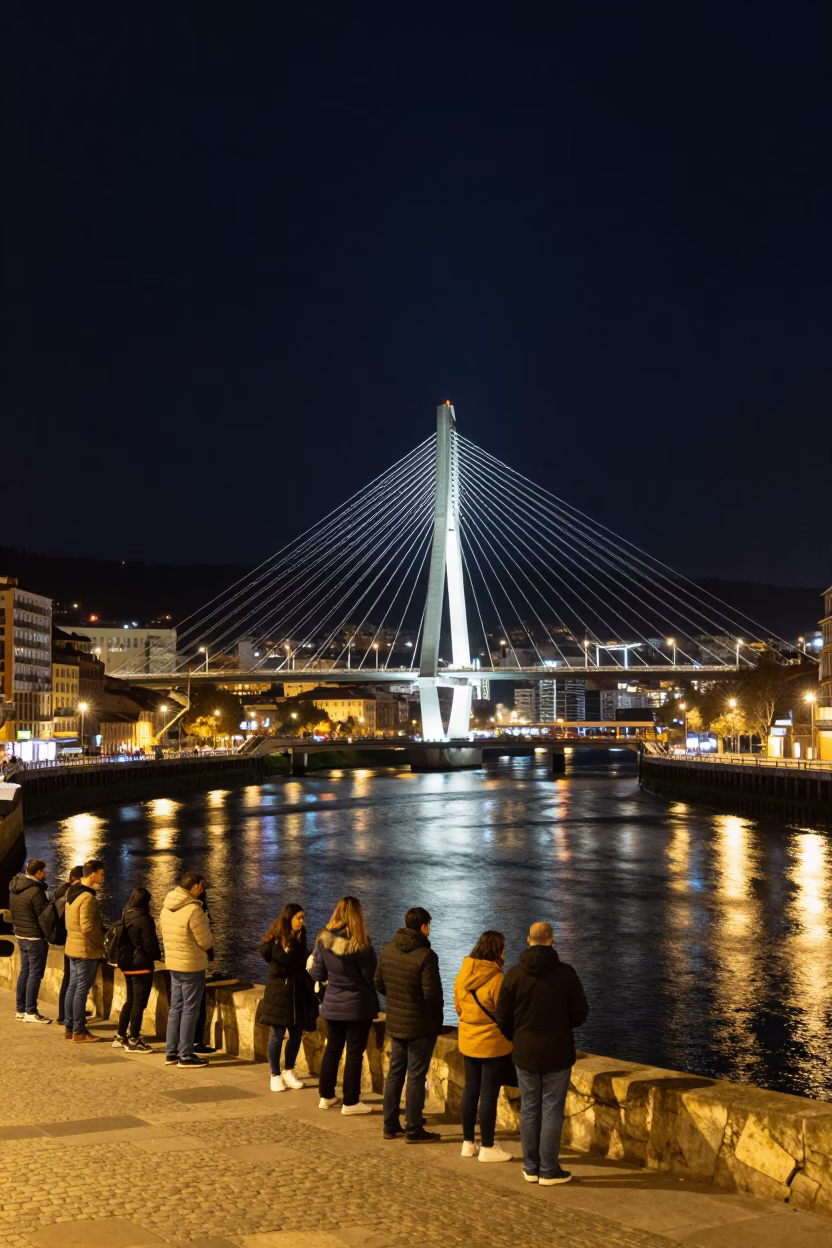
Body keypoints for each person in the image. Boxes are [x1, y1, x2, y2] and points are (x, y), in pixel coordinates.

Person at [496, 922, 589, 1186]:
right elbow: (580, 1013)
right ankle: (549, 1169)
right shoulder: (567, 974)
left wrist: (515, 1036)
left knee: (529, 1110)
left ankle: (530, 1167)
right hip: (557, 1052)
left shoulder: (513, 975)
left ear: (528, 940)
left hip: (525, 1052)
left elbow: (502, 1016)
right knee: (552, 1111)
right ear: (551, 941)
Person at [375, 906, 443, 1143]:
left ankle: (390, 1123)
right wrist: (437, 1020)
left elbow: (379, 983)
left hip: (395, 1021)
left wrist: (397, 999)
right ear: (424, 927)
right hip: (420, 1025)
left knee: (395, 1073)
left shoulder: (388, 950)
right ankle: (414, 1127)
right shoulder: (426, 956)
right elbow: (432, 995)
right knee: (415, 1075)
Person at [310, 896, 379, 1115]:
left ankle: (326, 1096)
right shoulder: (361, 944)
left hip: (332, 1004)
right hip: (357, 1006)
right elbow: (371, 977)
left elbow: (318, 973)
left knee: (332, 1049)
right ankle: (350, 1101)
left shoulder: (324, 940)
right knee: (354, 1053)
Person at [454, 930, 514, 1162]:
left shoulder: (463, 973)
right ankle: (487, 1146)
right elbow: (505, 1013)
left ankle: (468, 1143)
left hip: (468, 1040)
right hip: (492, 1044)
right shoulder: (497, 978)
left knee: (470, 1090)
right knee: (488, 1094)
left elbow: (458, 1006)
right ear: (498, 950)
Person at [259, 902, 316, 1092]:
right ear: (288, 918)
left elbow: (299, 962)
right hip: (279, 992)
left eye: (302, 917)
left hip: (297, 991)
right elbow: (271, 957)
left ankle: (289, 1070)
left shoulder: (301, 936)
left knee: (296, 1034)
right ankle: (275, 1074)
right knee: (276, 1036)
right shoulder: (276, 939)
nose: (302, 921)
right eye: (299, 918)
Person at [159, 871, 215, 1068]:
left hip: (174, 964)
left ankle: (171, 1052)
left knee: (176, 1008)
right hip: (192, 965)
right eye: (203, 886)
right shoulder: (193, 910)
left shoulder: (167, 907)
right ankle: (186, 1055)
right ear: (196, 887)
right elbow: (205, 941)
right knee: (190, 1010)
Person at [113, 887, 162, 1052]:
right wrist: (157, 955)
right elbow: (150, 946)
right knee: (139, 1004)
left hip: (127, 964)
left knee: (130, 1000)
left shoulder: (126, 914)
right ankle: (134, 1040)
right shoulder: (145, 919)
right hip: (141, 966)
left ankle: (121, 1035)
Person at [64, 860, 107, 1043]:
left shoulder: (72, 893)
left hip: (72, 946)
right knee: (81, 989)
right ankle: (79, 1031)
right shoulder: (88, 898)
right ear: (92, 874)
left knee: (73, 987)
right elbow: (88, 928)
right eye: (101, 873)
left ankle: (69, 1027)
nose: (102, 877)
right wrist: (102, 944)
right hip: (85, 950)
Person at [10, 859, 51, 1024]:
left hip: (20, 934)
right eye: (44, 871)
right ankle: (31, 1011)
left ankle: (20, 1009)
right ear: (38, 872)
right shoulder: (35, 891)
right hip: (34, 937)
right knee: (35, 974)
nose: (46, 874)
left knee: (24, 972)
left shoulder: (15, 887)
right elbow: (44, 917)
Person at [54, 865, 84, 1025]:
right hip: (71, 940)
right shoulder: (70, 896)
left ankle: (66, 1013)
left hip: (65, 940)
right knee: (72, 980)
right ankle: (67, 1016)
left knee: (69, 978)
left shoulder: (60, 892)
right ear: (78, 879)